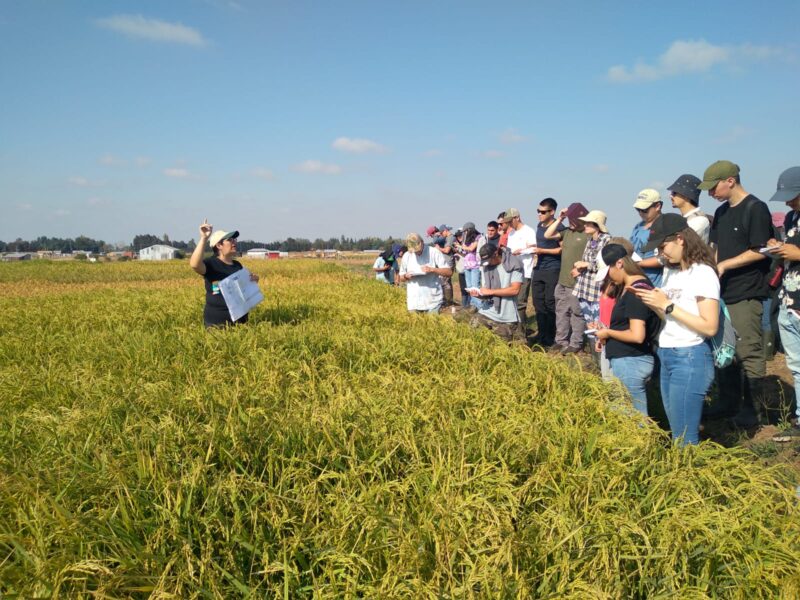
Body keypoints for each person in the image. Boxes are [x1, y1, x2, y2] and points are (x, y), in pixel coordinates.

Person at [635, 213, 720, 446]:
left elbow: (710, 326)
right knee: (676, 430)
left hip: (690, 356)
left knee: (685, 438)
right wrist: (655, 304)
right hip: (668, 353)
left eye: (663, 246)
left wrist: (668, 306)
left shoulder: (703, 273)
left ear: (680, 239)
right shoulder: (672, 273)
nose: (662, 253)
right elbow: (671, 317)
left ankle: (689, 476)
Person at [702, 160, 773, 427]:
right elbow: (717, 247)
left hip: (746, 291)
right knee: (725, 350)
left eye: (713, 187)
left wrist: (725, 265)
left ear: (730, 180)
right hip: (723, 292)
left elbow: (760, 249)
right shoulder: (721, 213)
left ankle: (754, 409)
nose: (710, 194)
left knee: (748, 351)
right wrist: (712, 268)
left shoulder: (756, 208)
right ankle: (728, 402)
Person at [593, 244, 660, 417]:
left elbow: (637, 335)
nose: (609, 277)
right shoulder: (630, 287)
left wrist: (608, 333)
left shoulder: (635, 292)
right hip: (626, 359)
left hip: (631, 361)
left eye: (609, 271)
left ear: (620, 264)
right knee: (623, 414)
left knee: (635, 418)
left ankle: (644, 443)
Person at [767, 166, 800, 441]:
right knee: (796, 365)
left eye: (793, 195)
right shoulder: (790, 218)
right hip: (789, 301)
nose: (788, 202)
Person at [189, 219, 260, 328]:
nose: (234, 242)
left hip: (240, 325)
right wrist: (204, 238)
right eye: (230, 240)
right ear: (219, 245)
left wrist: (253, 280)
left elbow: (242, 289)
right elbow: (194, 264)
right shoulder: (211, 264)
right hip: (216, 326)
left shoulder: (237, 265)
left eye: (235, 239)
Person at [545, 203, 589, 354]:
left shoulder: (587, 234)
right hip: (562, 280)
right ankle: (561, 341)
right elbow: (547, 234)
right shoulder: (567, 232)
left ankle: (576, 343)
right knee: (561, 311)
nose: (570, 222)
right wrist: (560, 218)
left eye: (572, 219)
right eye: (569, 219)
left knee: (577, 313)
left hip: (577, 282)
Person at [463, 244, 526, 343]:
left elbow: (515, 290)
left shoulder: (514, 263)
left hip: (507, 316)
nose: (487, 264)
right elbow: (487, 293)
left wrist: (491, 291)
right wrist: (479, 294)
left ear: (496, 254)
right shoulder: (486, 267)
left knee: (507, 346)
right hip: (488, 311)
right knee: (472, 333)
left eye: (489, 260)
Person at [531, 198, 563, 347]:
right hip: (538, 268)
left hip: (552, 268)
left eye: (543, 212)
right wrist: (531, 248)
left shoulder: (560, 227)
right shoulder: (539, 225)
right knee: (538, 302)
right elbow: (540, 243)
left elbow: (562, 249)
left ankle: (551, 336)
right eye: (538, 211)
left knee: (550, 303)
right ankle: (541, 333)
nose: (539, 214)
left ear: (552, 212)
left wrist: (542, 250)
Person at [572, 210, 611, 327]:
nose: (585, 225)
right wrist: (580, 269)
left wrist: (586, 265)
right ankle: (592, 344)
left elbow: (606, 262)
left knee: (599, 323)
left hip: (597, 287)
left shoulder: (607, 239)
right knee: (589, 323)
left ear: (597, 225)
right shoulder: (590, 240)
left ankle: (598, 345)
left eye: (589, 223)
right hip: (585, 286)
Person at [399, 232, 452, 313]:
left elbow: (449, 272)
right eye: (414, 251)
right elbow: (401, 277)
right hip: (414, 302)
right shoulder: (407, 256)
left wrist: (433, 270)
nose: (416, 253)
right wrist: (406, 276)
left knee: (432, 324)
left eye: (418, 250)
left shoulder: (434, 252)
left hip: (433, 300)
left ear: (422, 242)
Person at [505, 208, 538, 325]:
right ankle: (513, 326)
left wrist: (521, 251)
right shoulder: (511, 233)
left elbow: (534, 248)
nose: (508, 224)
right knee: (511, 301)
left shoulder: (528, 231)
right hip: (512, 271)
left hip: (524, 271)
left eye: (510, 221)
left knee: (520, 302)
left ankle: (521, 330)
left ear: (517, 218)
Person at [631, 189, 665, 287]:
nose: (641, 213)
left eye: (644, 210)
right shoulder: (638, 226)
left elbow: (664, 258)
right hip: (636, 280)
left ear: (658, 206)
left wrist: (638, 264)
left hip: (654, 284)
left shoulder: (664, 226)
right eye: (638, 209)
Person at [668, 174, 710, 243]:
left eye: (674, 193)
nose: (670, 196)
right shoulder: (684, 219)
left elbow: (678, 244)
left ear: (686, 195)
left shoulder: (700, 221)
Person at [457, 222, 482, 308]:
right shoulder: (465, 239)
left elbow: (471, 248)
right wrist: (458, 249)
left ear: (470, 230)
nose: (464, 233)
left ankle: (479, 306)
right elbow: (464, 253)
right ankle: (473, 305)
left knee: (475, 286)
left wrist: (461, 247)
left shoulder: (478, 237)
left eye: (465, 231)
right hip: (467, 266)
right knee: (469, 287)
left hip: (475, 265)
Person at [431, 224, 456, 306]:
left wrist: (439, 249)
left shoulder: (450, 238)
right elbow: (436, 241)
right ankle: (448, 300)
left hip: (448, 262)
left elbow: (447, 250)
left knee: (445, 282)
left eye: (442, 233)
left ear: (445, 230)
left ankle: (448, 302)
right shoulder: (447, 238)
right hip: (446, 262)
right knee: (446, 282)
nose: (441, 234)